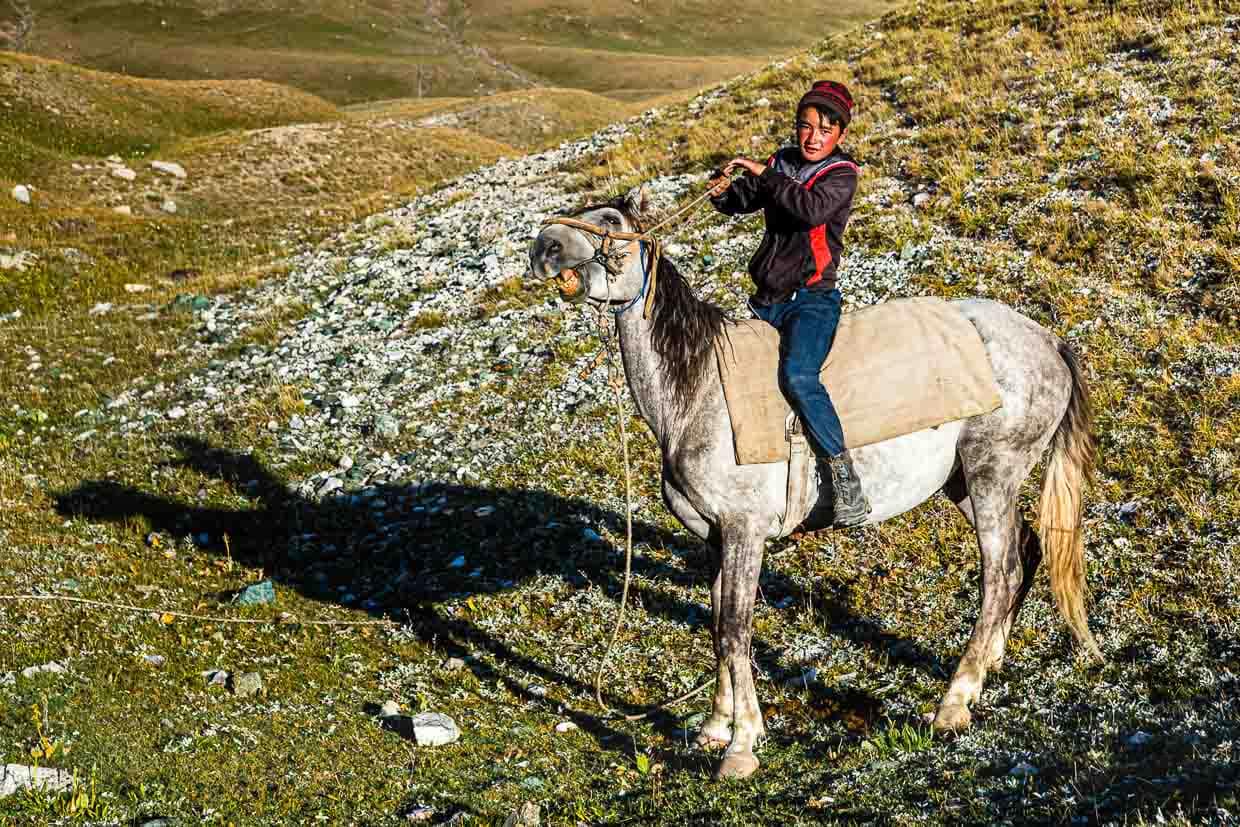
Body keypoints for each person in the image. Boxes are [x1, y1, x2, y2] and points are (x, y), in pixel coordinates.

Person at [708, 79, 870, 527]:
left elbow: (806, 209)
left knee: (799, 376)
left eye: (825, 129)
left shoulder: (841, 174)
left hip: (812, 300)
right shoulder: (782, 161)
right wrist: (724, 192)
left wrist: (764, 174)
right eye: (806, 126)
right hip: (768, 299)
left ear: (840, 134)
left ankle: (844, 477)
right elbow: (745, 201)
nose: (813, 137)